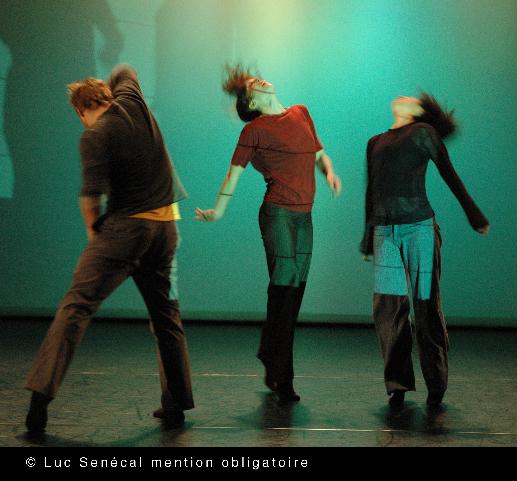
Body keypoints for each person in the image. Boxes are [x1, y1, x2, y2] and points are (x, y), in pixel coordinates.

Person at [24, 64, 194, 432]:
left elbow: (90, 197)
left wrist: (93, 234)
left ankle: (38, 402)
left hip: (126, 230)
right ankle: (176, 405)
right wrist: (114, 84)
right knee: (166, 317)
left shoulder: (94, 134)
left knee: (76, 305)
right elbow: (126, 68)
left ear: (79, 110)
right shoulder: (131, 99)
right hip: (166, 228)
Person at [195, 64, 341, 402]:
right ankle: (283, 377)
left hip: (305, 218)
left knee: (293, 294)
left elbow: (319, 155)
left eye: (255, 79)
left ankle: (268, 352)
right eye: (251, 86)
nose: (258, 80)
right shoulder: (255, 131)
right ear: (252, 103)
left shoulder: (301, 113)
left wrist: (329, 173)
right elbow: (233, 176)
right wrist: (217, 212)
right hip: (277, 215)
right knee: (284, 292)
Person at [360, 92, 489, 407]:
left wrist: (475, 215)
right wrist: (368, 236)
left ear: (418, 111)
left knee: (426, 306)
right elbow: (372, 190)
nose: (403, 97)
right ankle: (398, 384)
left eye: (411, 99)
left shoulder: (423, 134)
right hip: (385, 233)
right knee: (388, 309)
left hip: (419, 229)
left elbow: (449, 173)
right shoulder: (374, 142)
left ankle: (436, 382)